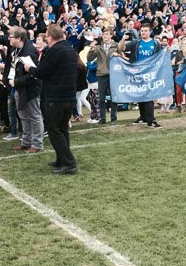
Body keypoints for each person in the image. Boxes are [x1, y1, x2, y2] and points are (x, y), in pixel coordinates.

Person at [36, 24, 78, 175]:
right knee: (62, 129)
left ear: (50, 37)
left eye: (46, 36)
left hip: (56, 96)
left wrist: (30, 68)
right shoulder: (70, 49)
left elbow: (42, 72)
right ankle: (62, 159)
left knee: (54, 129)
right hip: (69, 96)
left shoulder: (54, 51)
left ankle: (69, 162)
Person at [118, 22, 162, 128]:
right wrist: (123, 39)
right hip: (137, 72)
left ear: (150, 31)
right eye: (142, 31)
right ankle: (143, 117)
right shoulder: (136, 42)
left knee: (148, 96)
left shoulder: (156, 43)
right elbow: (122, 49)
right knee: (140, 96)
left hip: (150, 73)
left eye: (145, 31)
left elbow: (159, 57)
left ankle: (151, 120)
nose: (143, 32)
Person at [8, 27, 44, 153]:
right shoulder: (17, 49)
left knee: (34, 116)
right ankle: (26, 141)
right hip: (19, 87)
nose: (9, 39)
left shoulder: (30, 51)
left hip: (30, 89)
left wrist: (16, 81)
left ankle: (37, 144)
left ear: (18, 38)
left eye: (11, 37)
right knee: (23, 115)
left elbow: (33, 74)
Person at [87, 28, 119, 124]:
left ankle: (113, 117)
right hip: (101, 74)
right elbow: (89, 58)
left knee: (114, 97)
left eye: (106, 34)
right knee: (101, 98)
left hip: (113, 74)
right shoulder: (98, 47)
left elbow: (122, 56)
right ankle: (103, 118)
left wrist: (117, 54)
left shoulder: (115, 46)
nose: (104, 36)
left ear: (111, 35)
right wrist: (91, 49)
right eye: (103, 34)